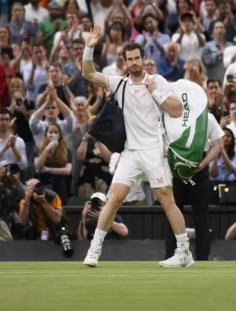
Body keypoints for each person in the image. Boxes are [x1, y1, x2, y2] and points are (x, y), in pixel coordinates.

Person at [80, 26, 193, 268]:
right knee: (113, 199)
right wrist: (89, 47)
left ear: (142, 59)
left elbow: (177, 110)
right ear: (124, 62)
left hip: (154, 151)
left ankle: (184, 253)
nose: (133, 62)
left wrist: (155, 93)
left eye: (136, 58)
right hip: (130, 153)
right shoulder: (119, 84)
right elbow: (88, 74)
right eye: (129, 59)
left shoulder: (158, 81)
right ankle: (94, 250)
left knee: (166, 200)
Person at [164, 112, 224, 262]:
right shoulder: (170, 115)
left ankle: (202, 257)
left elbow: (218, 144)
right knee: (173, 212)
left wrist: (203, 164)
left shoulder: (207, 116)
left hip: (196, 164)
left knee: (200, 216)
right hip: (176, 165)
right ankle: (172, 255)